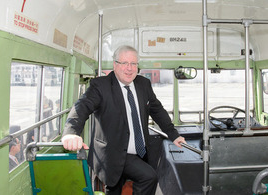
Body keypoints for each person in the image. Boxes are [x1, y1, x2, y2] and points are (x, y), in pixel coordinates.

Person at [62, 45, 186, 195]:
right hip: (112, 153)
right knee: (131, 183)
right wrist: (71, 132)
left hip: (139, 152)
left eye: (133, 64)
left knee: (148, 177)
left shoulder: (143, 84)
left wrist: (173, 135)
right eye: (125, 63)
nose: (130, 68)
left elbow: (157, 110)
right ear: (115, 65)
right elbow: (81, 107)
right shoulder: (100, 86)